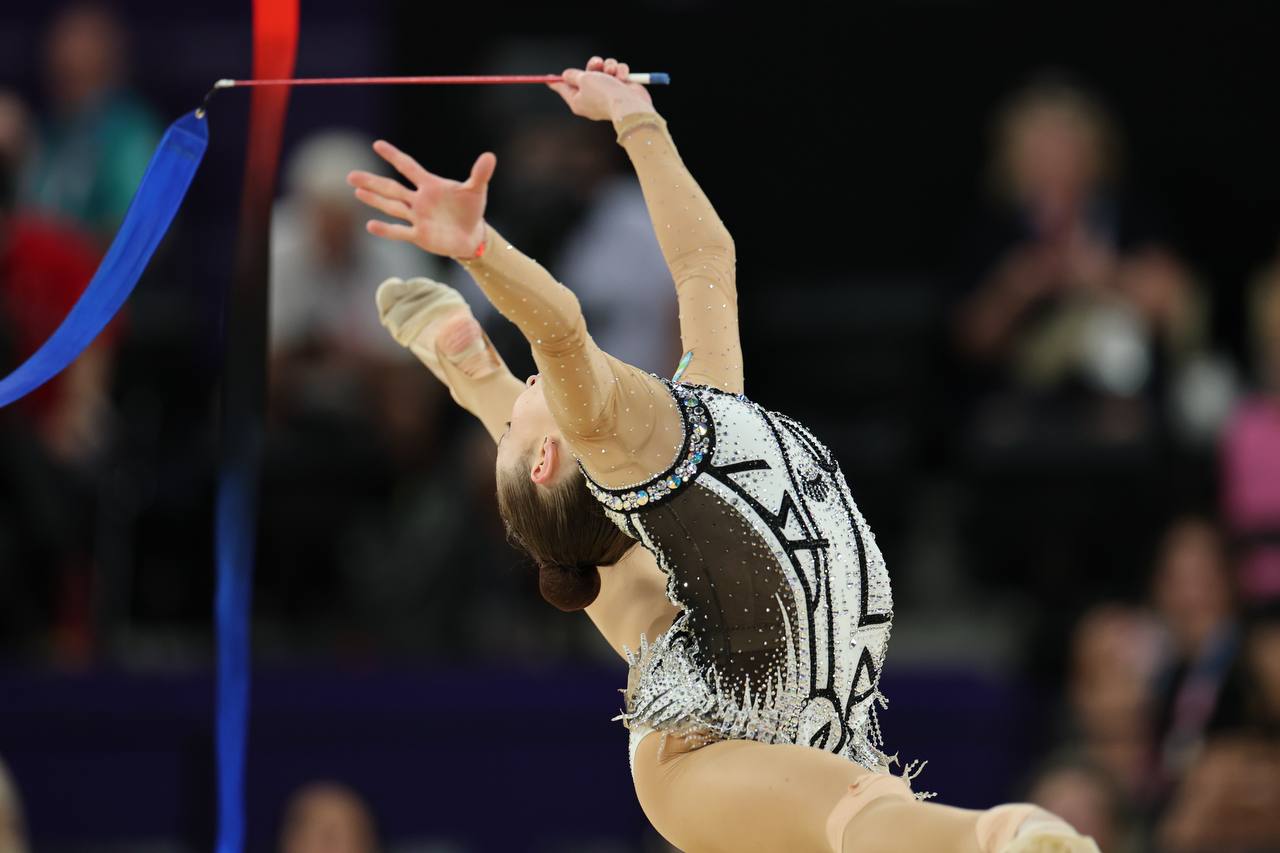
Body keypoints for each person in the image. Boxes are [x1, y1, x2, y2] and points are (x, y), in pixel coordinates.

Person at [349, 56, 1099, 853]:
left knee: (635, 601)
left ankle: (466, 365)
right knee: (850, 804)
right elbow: (559, 329)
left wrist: (637, 118)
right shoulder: (615, 435)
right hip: (708, 751)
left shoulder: (696, 410)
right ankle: (995, 839)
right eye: (517, 422)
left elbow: (706, 258)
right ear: (547, 456)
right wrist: (479, 249)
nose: (535, 386)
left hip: (748, 708)